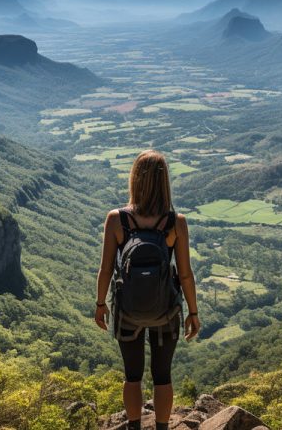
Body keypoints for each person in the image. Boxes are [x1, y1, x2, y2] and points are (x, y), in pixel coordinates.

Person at [95, 149, 201, 430]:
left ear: (135, 180)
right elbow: (186, 274)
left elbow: (106, 269)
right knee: (162, 375)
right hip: (166, 311)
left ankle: (133, 426)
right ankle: (163, 427)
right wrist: (193, 312)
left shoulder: (117, 220)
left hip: (127, 312)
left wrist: (100, 304)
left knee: (132, 375)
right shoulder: (174, 222)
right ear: (164, 181)